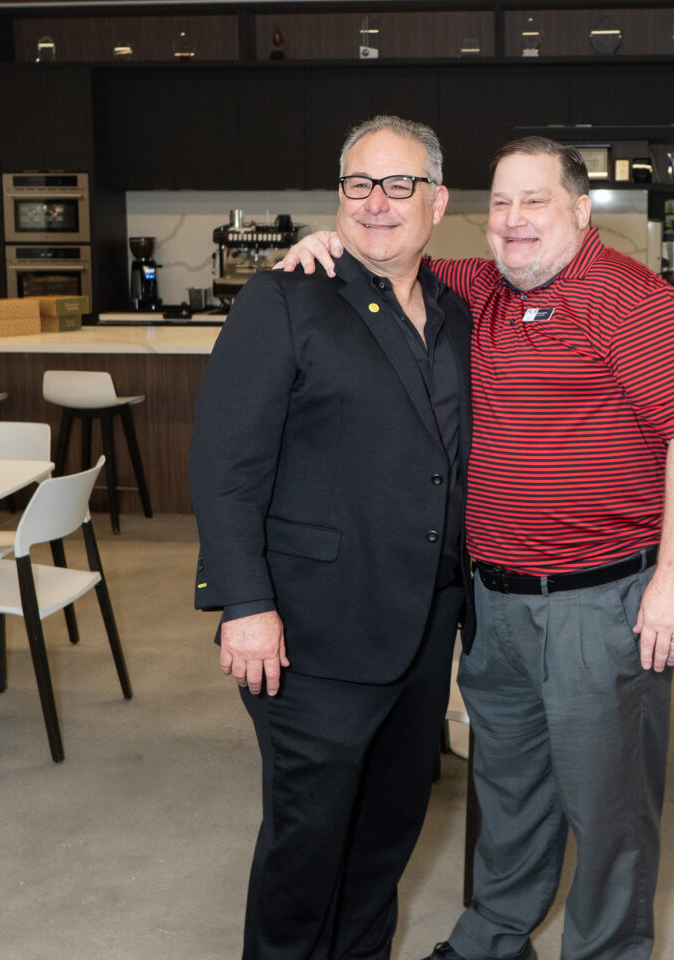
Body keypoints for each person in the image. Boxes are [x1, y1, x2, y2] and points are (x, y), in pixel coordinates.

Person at [282, 136, 674, 960]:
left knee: (608, 806)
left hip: (600, 607)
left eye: (536, 202)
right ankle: (493, 937)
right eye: (502, 204)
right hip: (495, 604)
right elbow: (386, 255)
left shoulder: (640, 305)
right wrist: (323, 244)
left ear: (582, 212)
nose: (514, 222)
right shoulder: (475, 287)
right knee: (510, 789)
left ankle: (605, 950)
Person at [188, 115, 473, 960]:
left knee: (385, 844)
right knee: (305, 853)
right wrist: (244, 602)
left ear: (438, 200)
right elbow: (224, 464)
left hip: (423, 630)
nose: (376, 203)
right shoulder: (285, 297)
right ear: (336, 196)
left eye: (398, 185)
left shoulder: (458, 306)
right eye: (358, 185)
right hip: (309, 633)